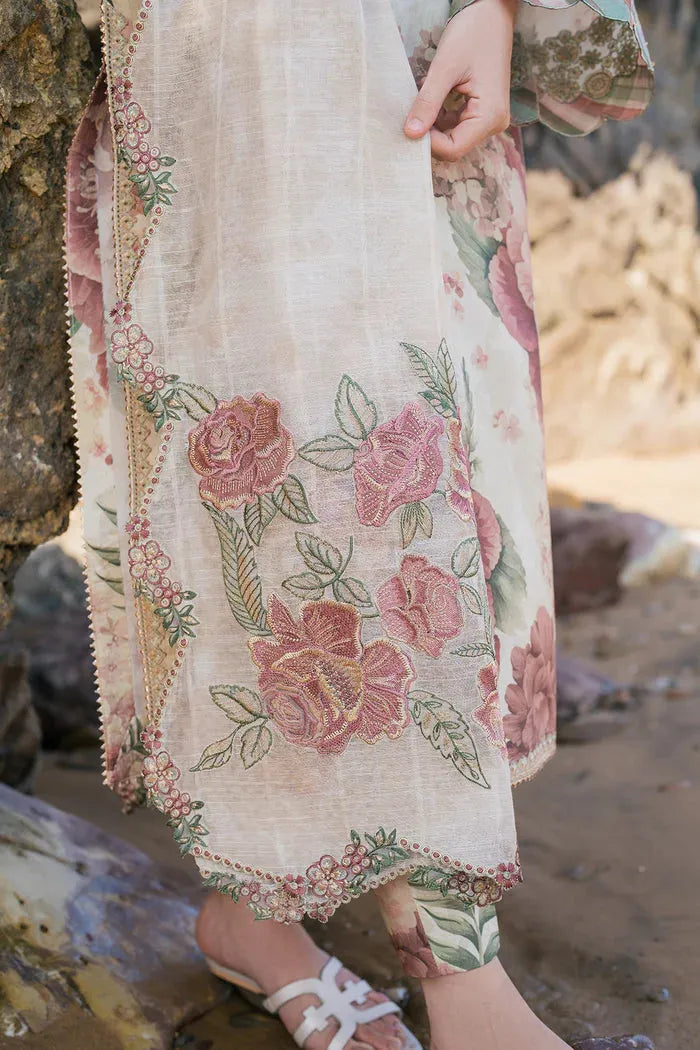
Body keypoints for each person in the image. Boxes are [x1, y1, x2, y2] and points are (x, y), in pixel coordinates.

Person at [64, 1, 654, 1047]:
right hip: (244, 60)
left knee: (435, 462)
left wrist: (499, 7)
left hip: (411, 50)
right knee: (319, 479)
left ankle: (262, 911)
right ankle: (441, 974)